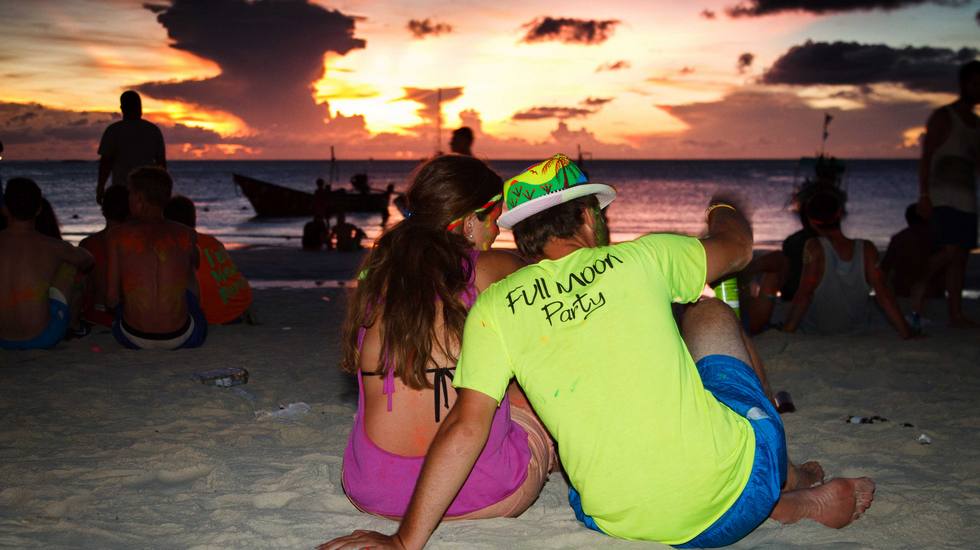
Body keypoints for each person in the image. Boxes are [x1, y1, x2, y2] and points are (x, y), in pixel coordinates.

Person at [321, 154, 875, 550]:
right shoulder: (644, 257)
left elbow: (466, 425)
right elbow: (737, 248)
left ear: (521, 234)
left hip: (613, 518)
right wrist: (725, 207)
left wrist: (405, 542)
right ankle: (783, 482)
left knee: (525, 376)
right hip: (737, 494)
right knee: (708, 312)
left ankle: (778, 489)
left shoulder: (489, 306)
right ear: (590, 217)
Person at [337, 155, 554, 523]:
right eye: (494, 219)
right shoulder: (493, 269)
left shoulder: (376, 278)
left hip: (375, 491)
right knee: (533, 388)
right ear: (469, 222)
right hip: (482, 491)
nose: (496, 232)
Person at [781, 187, 914, 339]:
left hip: (818, 330)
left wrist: (786, 332)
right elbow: (883, 294)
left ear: (811, 221)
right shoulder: (867, 249)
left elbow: (805, 294)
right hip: (857, 329)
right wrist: (906, 333)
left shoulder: (814, 247)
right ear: (839, 213)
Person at [911, 60, 980, 328]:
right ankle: (919, 283)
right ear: (964, 84)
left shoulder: (976, 124)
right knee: (949, 251)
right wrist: (924, 195)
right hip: (942, 196)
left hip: (967, 198)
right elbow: (926, 157)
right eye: (975, 83)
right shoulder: (944, 116)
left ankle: (956, 313)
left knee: (961, 257)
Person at [106, 167, 206, 350]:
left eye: (130, 193)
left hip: (133, 336)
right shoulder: (187, 234)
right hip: (180, 335)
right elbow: (195, 265)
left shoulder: (117, 236)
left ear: (139, 198)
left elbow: (111, 298)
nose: (128, 198)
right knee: (190, 271)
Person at [0, 178, 94, 350]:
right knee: (69, 265)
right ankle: (74, 325)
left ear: (5, 209)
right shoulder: (53, 246)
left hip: (2, 339)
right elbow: (88, 260)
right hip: (43, 337)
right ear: (39, 209)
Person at [163, 195, 254, 325]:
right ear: (193, 219)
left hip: (216, 314)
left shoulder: (174, 248)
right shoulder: (211, 241)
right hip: (241, 304)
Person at [96, 91, 166, 205]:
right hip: (145, 192)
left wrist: (100, 187)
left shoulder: (113, 131)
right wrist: (163, 191)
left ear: (122, 108)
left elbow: (106, 163)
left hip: (123, 190)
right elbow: (161, 164)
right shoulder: (153, 130)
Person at [79, 186, 130, 328]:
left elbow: (83, 288)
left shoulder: (88, 244)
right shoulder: (138, 247)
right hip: (128, 318)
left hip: (95, 316)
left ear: (104, 211)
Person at [880, 204, 943, 299]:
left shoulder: (898, 239)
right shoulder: (935, 237)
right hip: (931, 291)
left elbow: (885, 267)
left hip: (903, 291)